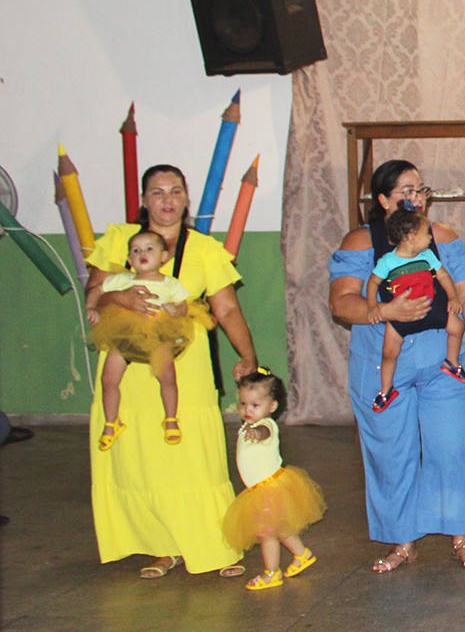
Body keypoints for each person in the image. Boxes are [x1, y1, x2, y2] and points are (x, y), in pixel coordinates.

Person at [87, 164, 257, 578]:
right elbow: (94, 295)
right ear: (144, 200)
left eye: (175, 192)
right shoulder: (118, 240)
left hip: (184, 362)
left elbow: (227, 308)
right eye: (158, 192)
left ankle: (215, 544)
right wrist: (122, 297)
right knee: (140, 456)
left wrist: (249, 357)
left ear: (186, 199)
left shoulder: (203, 249)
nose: (167, 201)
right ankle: (160, 546)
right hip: (128, 360)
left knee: (194, 456)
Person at [329, 159, 465, 573]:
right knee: (390, 451)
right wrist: (386, 310)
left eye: (421, 190)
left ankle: (459, 534)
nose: (415, 198)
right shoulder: (360, 243)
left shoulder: (442, 238)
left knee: (450, 447)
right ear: (384, 200)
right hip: (382, 359)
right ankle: (402, 541)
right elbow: (342, 301)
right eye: (405, 190)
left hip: (442, 360)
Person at [88, 229, 212, 449]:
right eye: (135, 250)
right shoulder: (122, 279)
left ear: (163, 257)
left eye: (149, 249)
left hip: (157, 334)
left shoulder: (169, 283)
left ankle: (171, 419)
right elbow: (97, 290)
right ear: (129, 260)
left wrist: (177, 309)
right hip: (125, 334)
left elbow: (185, 303)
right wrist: (91, 307)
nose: (141, 253)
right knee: (109, 378)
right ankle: (111, 422)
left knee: (167, 376)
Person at [223, 370, 326, 590]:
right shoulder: (246, 426)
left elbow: (264, 433)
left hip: (268, 489)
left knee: (267, 533)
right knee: (278, 528)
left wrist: (256, 432)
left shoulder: (266, 425)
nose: (247, 409)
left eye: (255, 405)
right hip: (262, 490)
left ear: (271, 406)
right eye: (243, 403)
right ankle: (302, 554)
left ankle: (272, 572)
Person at [367, 208, 465, 413]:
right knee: (388, 353)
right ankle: (386, 390)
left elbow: (444, 276)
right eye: (426, 234)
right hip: (401, 315)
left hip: (430, 309)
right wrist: (372, 305)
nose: (430, 237)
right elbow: (373, 282)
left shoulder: (427, 256)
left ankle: (452, 361)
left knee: (457, 326)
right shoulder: (388, 261)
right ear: (410, 238)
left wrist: (453, 297)